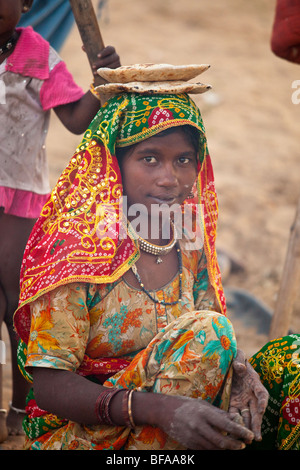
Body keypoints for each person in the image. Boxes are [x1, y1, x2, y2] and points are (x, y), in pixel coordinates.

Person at [13, 89, 269, 450]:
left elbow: (208, 338)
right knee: (208, 329)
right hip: (86, 431)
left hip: (179, 416)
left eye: (184, 160)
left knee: (291, 362)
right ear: (113, 165)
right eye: (149, 159)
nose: (170, 178)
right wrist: (159, 409)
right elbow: (51, 387)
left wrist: (240, 370)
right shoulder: (77, 248)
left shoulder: (187, 239)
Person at [0, 0, 120, 442]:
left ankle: (18, 407)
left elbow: (75, 118)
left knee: (18, 311)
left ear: (28, 4)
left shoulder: (38, 55)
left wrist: (103, 82)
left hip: (19, 198)